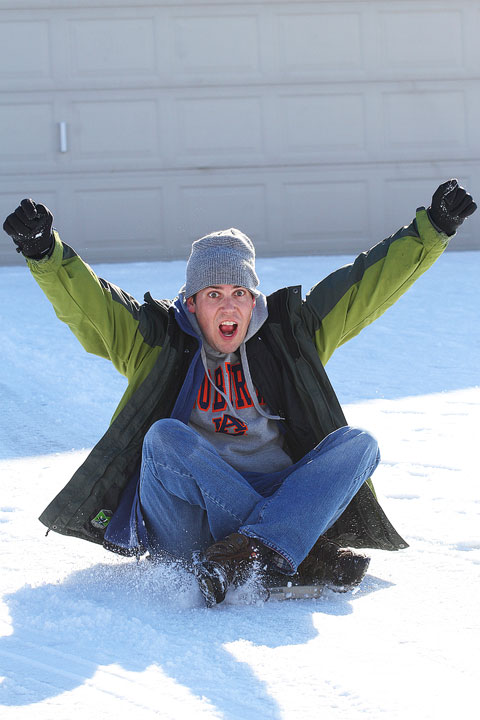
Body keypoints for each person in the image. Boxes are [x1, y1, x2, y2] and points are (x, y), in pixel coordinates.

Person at [3, 180, 476, 606]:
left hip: (272, 491)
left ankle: (257, 549)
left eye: (239, 293)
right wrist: (45, 252)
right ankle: (287, 547)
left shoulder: (292, 335)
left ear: (255, 299)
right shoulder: (158, 340)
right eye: (213, 294)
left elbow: (363, 287)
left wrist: (432, 228)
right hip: (189, 520)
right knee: (164, 438)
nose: (228, 306)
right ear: (191, 302)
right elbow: (93, 305)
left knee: (359, 446)